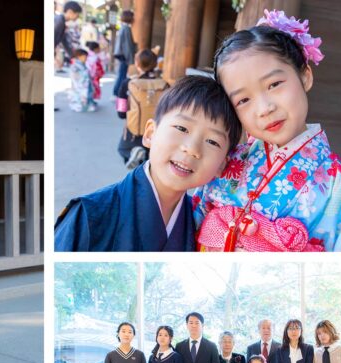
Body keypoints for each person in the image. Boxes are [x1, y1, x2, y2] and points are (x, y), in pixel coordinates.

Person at [193, 10, 341, 252]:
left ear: (305, 76)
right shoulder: (224, 165)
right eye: (243, 100)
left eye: (274, 85)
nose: (264, 108)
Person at [54, 76, 241, 252]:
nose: (192, 149)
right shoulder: (88, 215)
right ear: (150, 133)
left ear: (222, 165)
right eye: (182, 128)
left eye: (212, 142)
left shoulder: (206, 224)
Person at [117, 50, 164, 170]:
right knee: (151, 160)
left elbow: (121, 113)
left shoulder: (127, 83)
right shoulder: (165, 85)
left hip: (134, 132)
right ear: (155, 64)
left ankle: (136, 153)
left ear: (137, 64)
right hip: (156, 131)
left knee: (123, 149)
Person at [112, 10, 137, 99]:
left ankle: (116, 92)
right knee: (122, 75)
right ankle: (117, 93)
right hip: (124, 55)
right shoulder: (126, 28)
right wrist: (130, 59)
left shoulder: (123, 27)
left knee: (121, 74)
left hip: (121, 54)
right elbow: (127, 46)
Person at [54, 2, 83, 71]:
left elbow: (64, 42)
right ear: (70, 12)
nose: (77, 17)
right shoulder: (59, 20)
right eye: (77, 14)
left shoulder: (62, 22)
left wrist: (73, 56)